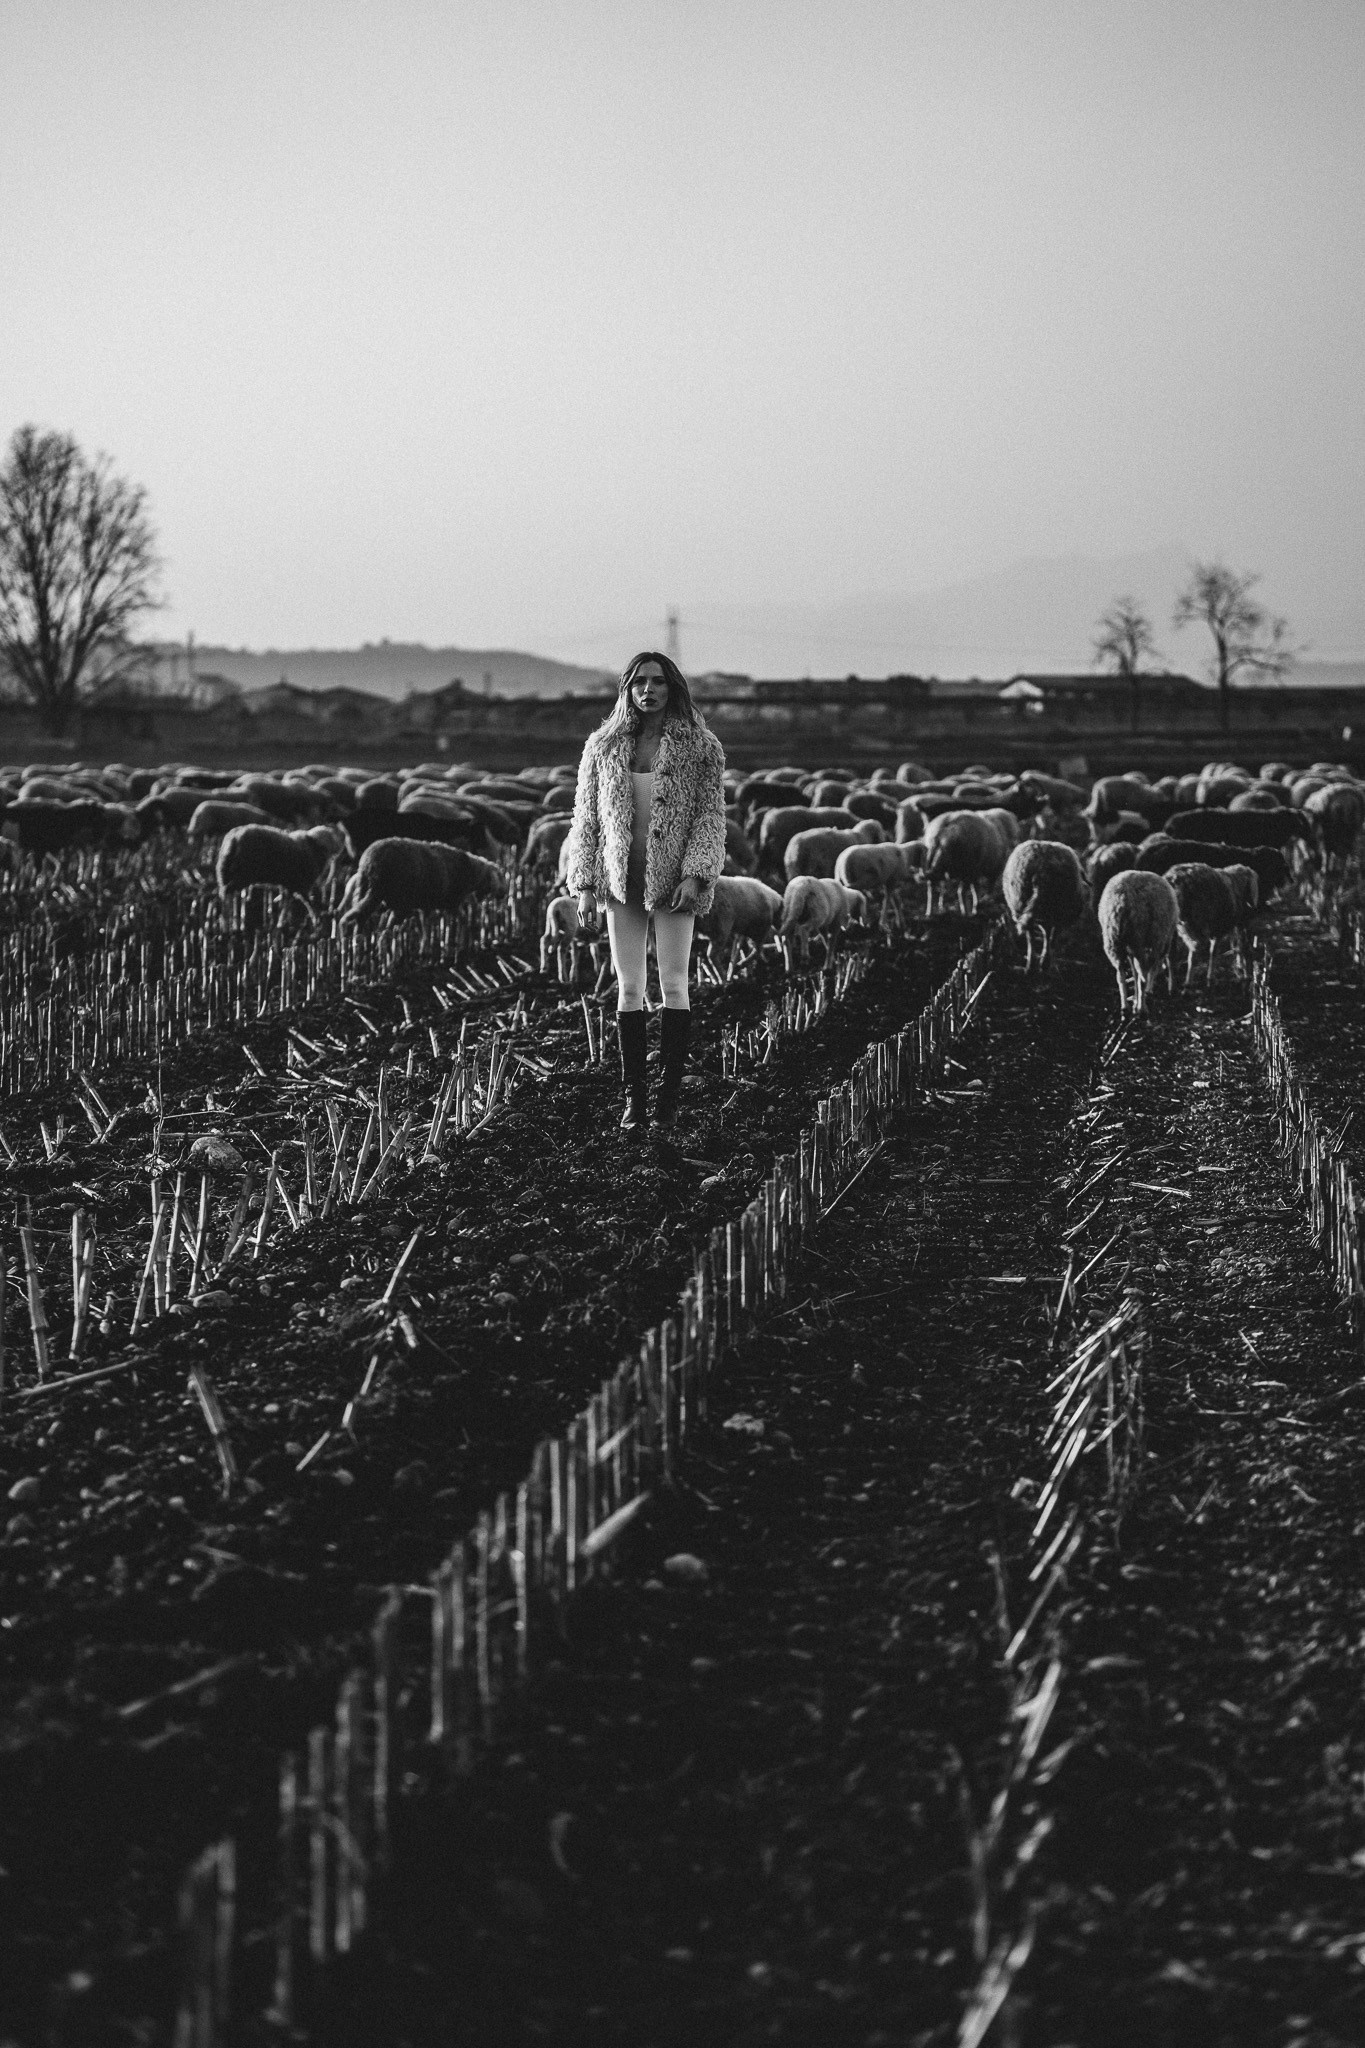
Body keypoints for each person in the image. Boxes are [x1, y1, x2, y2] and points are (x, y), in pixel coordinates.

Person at [565, 651, 726, 1130]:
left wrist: (696, 873)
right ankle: (635, 1098)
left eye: (657, 682)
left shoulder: (701, 746)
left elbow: (709, 816)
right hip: (621, 884)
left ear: (672, 688)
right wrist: (587, 886)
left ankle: (669, 1098)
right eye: (639, 682)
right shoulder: (603, 746)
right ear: (626, 689)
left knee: (674, 983)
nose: (648, 690)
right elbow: (587, 820)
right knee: (629, 986)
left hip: (676, 881)